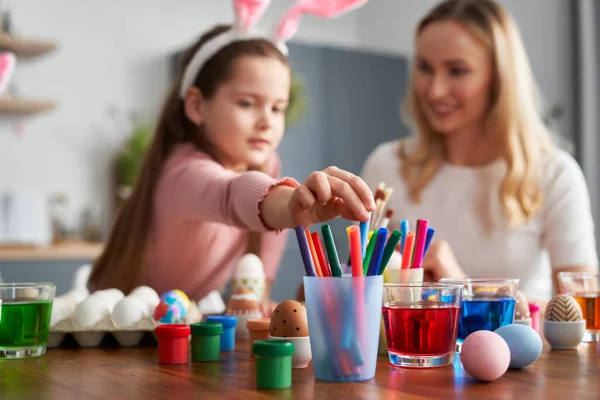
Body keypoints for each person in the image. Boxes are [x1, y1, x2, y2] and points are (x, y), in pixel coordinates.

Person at [88, 1, 374, 315]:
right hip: (119, 331)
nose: (267, 121)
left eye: (277, 107)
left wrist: (260, 301)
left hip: (179, 328)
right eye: (248, 103)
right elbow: (230, 193)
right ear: (197, 105)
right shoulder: (182, 173)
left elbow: (260, 281)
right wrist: (291, 205)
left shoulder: (269, 166)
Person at [360, 0, 598, 300]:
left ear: (499, 79)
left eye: (457, 71)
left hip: (521, 349)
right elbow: (363, 291)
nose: (434, 90)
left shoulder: (554, 174)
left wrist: (460, 285)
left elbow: (583, 313)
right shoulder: (386, 167)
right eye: (424, 68)